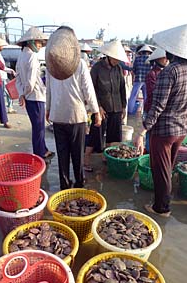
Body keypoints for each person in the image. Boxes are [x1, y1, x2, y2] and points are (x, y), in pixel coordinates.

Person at [134, 23, 187, 217]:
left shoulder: (170, 71)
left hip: (164, 131)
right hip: (180, 132)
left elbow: (158, 106)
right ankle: (162, 200)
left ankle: (162, 208)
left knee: (160, 169)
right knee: (168, 168)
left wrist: (142, 130)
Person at [45, 26, 101, 189]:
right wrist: (96, 111)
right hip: (76, 116)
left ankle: (64, 184)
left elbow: (48, 90)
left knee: (63, 154)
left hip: (58, 116)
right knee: (77, 154)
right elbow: (88, 91)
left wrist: (48, 109)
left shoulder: (51, 65)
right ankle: (79, 183)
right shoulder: (81, 64)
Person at [84, 40, 127, 172]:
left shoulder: (118, 68)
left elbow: (122, 88)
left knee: (113, 136)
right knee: (95, 134)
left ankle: (106, 156)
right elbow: (91, 90)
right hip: (101, 108)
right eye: (115, 58)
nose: (117, 61)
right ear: (109, 55)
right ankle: (85, 159)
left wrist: (124, 106)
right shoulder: (97, 68)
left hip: (116, 107)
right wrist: (98, 107)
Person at [16, 27, 54, 160]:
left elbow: (18, 78)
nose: (40, 45)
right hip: (36, 97)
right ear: (30, 42)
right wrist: (25, 93)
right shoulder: (31, 56)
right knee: (39, 128)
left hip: (29, 96)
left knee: (38, 126)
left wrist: (21, 94)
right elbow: (31, 82)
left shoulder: (21, 56)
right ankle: (39, 154)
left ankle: (43, 149)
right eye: (38, 42)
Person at [143, 47, 168, 152]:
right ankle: (148, 156)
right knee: (150, 135)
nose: (166, 60)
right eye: (164, 58)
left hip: (159, 110)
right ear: (157, 59)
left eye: (167, 58)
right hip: (150, 110)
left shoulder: (166, 73)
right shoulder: (152, 74)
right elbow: (152, 94)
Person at [128, 44, 153, 114]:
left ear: (141, 51)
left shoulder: (137, 58)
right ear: (148, 52)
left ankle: (130, 111)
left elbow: (134, 69)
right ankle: (146, 111)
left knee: (133, 96)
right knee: (146, 96)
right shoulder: (151, 59)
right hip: (147, 80)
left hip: (138, 79)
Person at [0, 37, 16, 114]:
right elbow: (2, 66)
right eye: (2, 46)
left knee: (0, 94)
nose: (2, 47)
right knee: (7, 93)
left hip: (1, 76)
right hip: (1, 76)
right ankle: (8, 108)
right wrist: (11, 71)